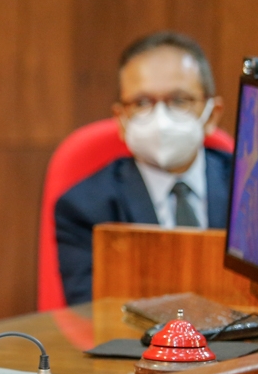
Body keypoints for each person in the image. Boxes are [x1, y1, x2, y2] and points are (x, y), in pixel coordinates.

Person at [54, 32, 233, 305]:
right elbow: (89, 315)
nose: (161, 117)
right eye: (141, 103)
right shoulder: (85, 208)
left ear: (213, 114)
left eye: (179, 100)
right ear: (121, 119)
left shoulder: (254, 191)